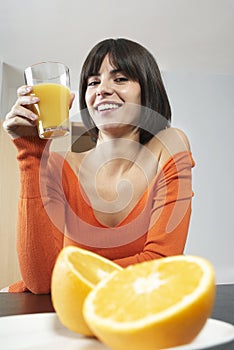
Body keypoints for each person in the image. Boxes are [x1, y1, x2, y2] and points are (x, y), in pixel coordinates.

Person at [3, 38, 195, 294]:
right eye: (93, 82)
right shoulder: (61, 164)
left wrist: (70, 279)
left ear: (147, 89)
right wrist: (31, 151)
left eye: (120, 79)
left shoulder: (169, 146)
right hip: (65, 308)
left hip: (123, 303)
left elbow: (162, 261)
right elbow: (41, 283)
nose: (102, 89)